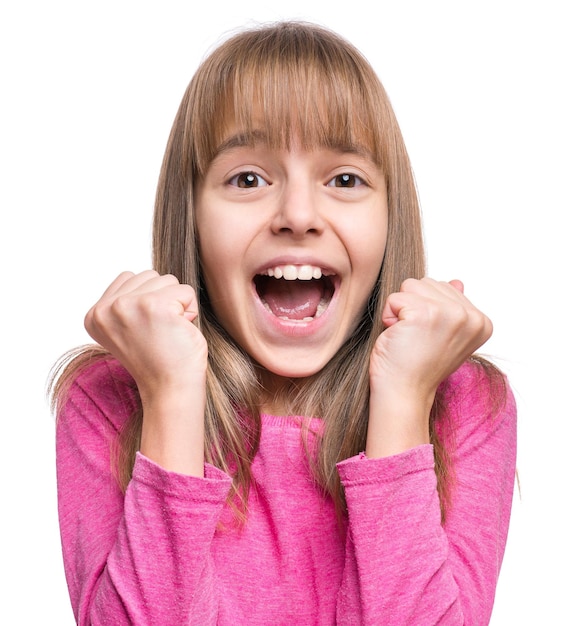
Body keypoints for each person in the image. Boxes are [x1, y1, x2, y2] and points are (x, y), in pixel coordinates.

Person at [51, 20, 517, 625]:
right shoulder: (111, 397)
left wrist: (403, 399)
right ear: (190, 216)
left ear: (389, 215)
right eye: (248, 179)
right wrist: (169, 394)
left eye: (344, 180)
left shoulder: (463, 403)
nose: (298, 215)